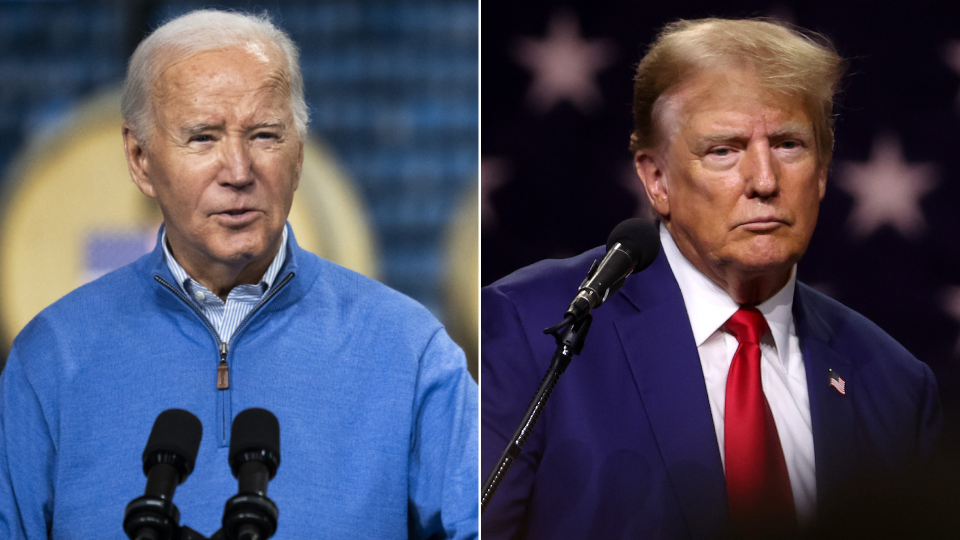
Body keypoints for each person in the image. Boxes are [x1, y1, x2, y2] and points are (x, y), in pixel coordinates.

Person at [0, 9, 478, 539]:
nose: (238, 171)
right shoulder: (52, 356)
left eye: (265, 135)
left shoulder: (410, 352)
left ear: (299, 155)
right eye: (203, 138)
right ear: (139, 158)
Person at [481, 18, 940, 539]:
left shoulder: (895, 386)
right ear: (656, 180)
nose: (764, 181)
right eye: (724, 150)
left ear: (823, 171)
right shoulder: (532, 331)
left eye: (789, 144)